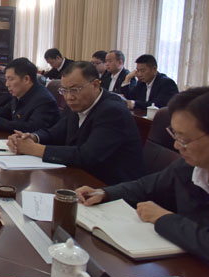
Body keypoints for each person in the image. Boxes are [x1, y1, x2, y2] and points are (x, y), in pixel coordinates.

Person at [76, 85, 209, 271]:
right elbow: (147, 186)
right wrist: (105, 193)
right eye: (175, 134)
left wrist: (163, 218)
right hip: (190, 265)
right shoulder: (191, 165)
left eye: (184, 139)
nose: (176, 145)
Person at [8, 61, 143, 185]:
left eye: (74, 90)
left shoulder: (112, 111)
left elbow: (86, 156)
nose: (68, 97)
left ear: (95, 84)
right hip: (80, 177)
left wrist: (33, 148)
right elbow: (55, 133)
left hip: (109, 186)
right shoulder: (76, 104)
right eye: (64, 90)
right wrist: (32, 137)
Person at [0, 57, 59, 133]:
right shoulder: (20, 94)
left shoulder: (44, 100)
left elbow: (32, 128)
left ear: (26, 79)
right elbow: (5, 111)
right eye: (6, 79)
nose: (6, 84)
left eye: (10, 79)